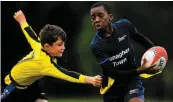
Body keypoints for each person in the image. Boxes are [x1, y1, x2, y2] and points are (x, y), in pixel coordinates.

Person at [1, 10, 102, 101]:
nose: (64, 47)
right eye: (59, 45)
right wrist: (90, 79)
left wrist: (22, 21)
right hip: (11, 86)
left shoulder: (39, 45)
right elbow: (67, 74)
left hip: (30, 84)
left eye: (63, 44)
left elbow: (30, 34)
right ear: (47, 46)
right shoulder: (45, 64)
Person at [90, 2, 161, 102]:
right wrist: (140, 70)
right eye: (93, 18)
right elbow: (113, 73)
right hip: (112, 87)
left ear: (110, 17)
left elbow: (142, 40)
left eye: (100, 15)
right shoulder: (96, 45)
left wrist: (157, 54)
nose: (96, 20)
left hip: (132, 81)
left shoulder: (124, 26)